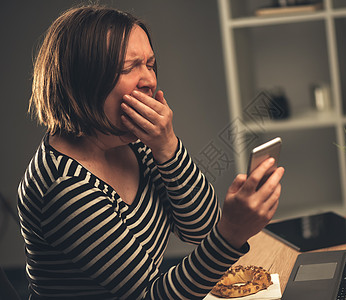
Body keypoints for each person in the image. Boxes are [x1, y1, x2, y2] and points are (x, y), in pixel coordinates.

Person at [17, 4, 284, 299]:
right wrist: (232, 233)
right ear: (81, 80)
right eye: (128, 67)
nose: (150, 80)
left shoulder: (131, 141)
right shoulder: (65, 186)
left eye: (150, 64)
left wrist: (167, 145)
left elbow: (201, 229)